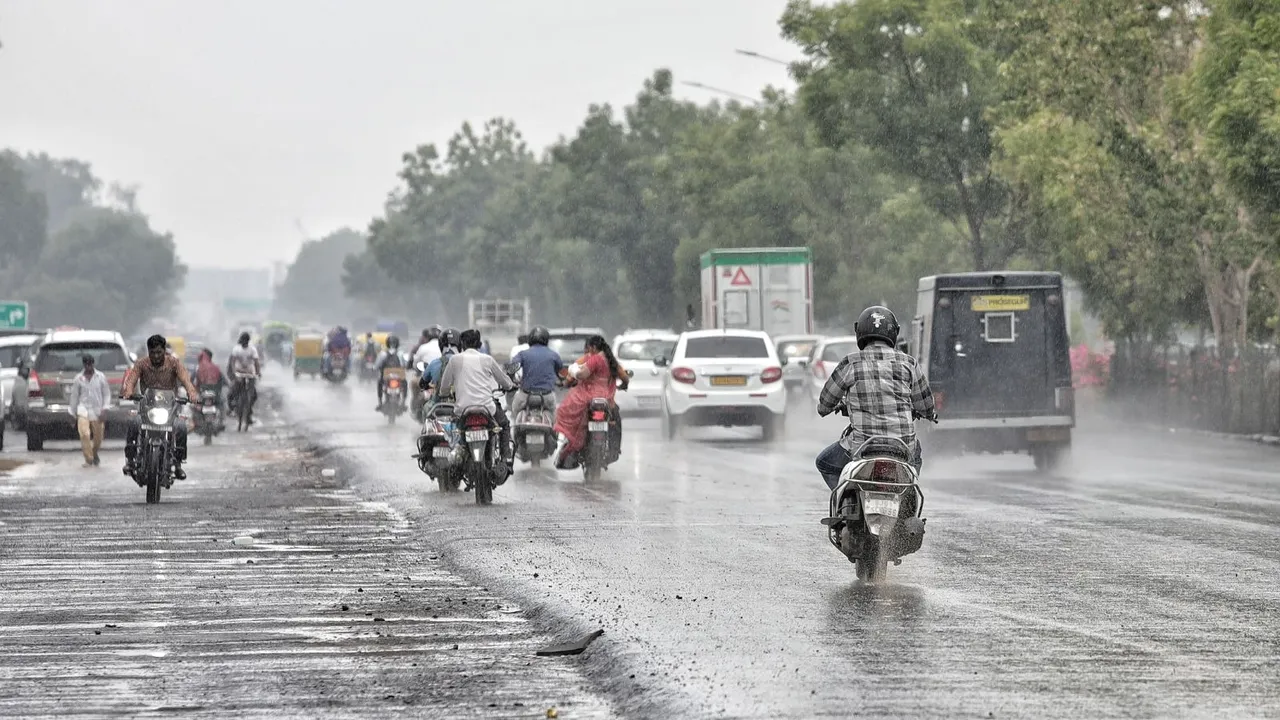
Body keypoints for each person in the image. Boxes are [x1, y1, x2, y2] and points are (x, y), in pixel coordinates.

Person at [815, 305, 936, 490]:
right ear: (894, 332)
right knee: (916, 455)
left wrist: (835, 406)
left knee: (824, 462)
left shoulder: (851, 362)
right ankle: (907, 495)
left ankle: (849, 497)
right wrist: (928, 414)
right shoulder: (909, 363)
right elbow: (926, 407)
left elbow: (824, 404)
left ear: (860, 331)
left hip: (862, 447)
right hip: (902, 446)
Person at [122, 334, 199, 480]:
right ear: (148, 352)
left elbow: (185, 379)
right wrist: (128, 391)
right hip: (147, 408)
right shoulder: (141, 364)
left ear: (164, 351)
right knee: (134, 423)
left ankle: (177, 464)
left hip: (169, 409)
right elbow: (131, 379)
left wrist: (192, 392)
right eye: (152, 353)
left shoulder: (174, 363)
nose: (156, 356)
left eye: (159, 352)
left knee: (181, 427)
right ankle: (130, 461)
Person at [438, 329, 516, 472]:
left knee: (456, 432)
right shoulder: (487, 359)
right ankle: (506, 457)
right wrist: (510, 386)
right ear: (479, 344)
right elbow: (505, 382)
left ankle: (460, 458)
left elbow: (444, 387)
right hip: (487, 408)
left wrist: (445, 393)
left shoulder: (454, 360)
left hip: (462, 410)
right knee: (504, 425)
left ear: (462, 344)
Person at [552, 335, 628, 470]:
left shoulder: (591, 359)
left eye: (587, 349)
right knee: (615, 421)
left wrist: (569, 378)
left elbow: (578, 376)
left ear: (591, 347)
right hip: (607, 400)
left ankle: (574, 447)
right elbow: (624, 377)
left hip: (588, 398)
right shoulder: (611, 361)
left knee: (570, 416)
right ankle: (614, 450)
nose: (587, 352)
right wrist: (624, 385)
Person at [508, 326, 563, 416]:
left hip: (526, 395)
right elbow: (560, 372)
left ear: (530, 339)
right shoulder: (554, 355)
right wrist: (562, 381)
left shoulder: (523, 354)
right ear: (546, 340)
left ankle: (516, 424)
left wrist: (512, 380)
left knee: (515, 410)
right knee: (554, 414)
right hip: (547, 396)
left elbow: (512, 368)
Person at [68, 354, 111, 468]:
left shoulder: (100, 377)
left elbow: (106, 394)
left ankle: (94, 453)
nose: (88, 367)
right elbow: (74, 397)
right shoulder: (78, 379)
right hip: (83, 410)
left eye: (90, 364)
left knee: (98, 438)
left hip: (98, 411)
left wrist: (105, 409)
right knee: (84, 434)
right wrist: (72, 414)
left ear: (93, 364)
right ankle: (89, 459)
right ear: (84, 365)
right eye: (86, 365)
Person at [226, 332, 262, 425]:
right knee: (232, 392)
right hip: (238, 372)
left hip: (250, 373)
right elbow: (232, 362)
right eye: (243, 341)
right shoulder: (236, 349)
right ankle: (233, 408)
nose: (244, 343)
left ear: (248, 341)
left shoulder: (252, 349)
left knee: (253, 395)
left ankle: (249, 412)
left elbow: (256, 362)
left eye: (245, 341)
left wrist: (258, 372)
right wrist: (234, 373)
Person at [375, 334, 406, 410]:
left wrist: (374, 368)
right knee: (405, 384)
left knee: (379, 384)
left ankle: (380, 402)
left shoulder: (383, 353)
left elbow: (377, 365)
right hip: (399, 375)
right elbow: (404, 364)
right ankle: (403, 402)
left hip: (386, 376)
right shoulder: (400, 353)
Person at [195, 348, 229, 417]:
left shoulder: (199, 368)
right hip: (215, 393)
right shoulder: (215, 368)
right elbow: (223, 380)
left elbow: (195, 381)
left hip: (203, 393)